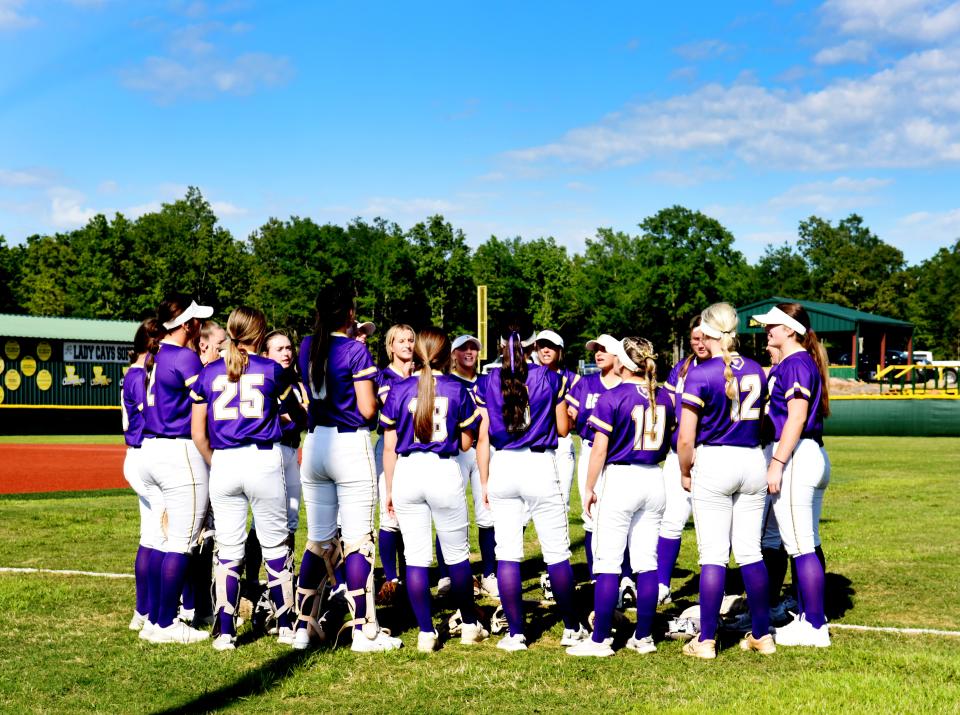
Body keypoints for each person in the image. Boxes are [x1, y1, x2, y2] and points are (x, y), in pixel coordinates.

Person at [294, 286, 402, 652]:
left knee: (319, 538)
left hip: (316, 443)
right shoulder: (355, 350)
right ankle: (363, 630)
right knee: (358, 540)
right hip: (348, 443)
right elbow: (368, 409)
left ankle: (302, 626)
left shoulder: (308, 344)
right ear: (349, 314)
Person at [476, 318, 585, 651]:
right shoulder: (548, 377)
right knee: (556, 553)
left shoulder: (487, 380)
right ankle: (570, 627)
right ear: (529, 348)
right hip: (538, 463)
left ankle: (516, 634)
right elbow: (564, 429)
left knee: (507, 554)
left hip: (503, 464)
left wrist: (483, 481)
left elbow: (482, 436)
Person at [190, 307, 297, 650]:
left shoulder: (208, 373)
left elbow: (198, 433)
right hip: (262, 459)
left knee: (228, 550)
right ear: (259, 332)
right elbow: (291, 412)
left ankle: (225, 631)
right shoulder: (269, 369)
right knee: (276, 546)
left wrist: (217, 460)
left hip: (224, 462)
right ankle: (285, 624)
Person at [381, 327, 489, 651]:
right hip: (443, 470)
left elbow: (388, 448)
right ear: (447, 355)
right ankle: (469, 625)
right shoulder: (457, 388)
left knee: (415, 558)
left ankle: (426, 633)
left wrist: (388, 490)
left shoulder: (398, 388)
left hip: (407, 472)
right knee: (457, 557)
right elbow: (468, 442)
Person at [677, 302, 774, 659]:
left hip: (715, 459)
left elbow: (685, 439)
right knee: (750, 551)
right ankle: (762, 636)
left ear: (708, 329)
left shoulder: (701, 373)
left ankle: (706, 641)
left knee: (713, 556)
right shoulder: (755, 369)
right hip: (751, 459)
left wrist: (684, 470)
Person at [569, 337, 674, 657]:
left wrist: (588, 487)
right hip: (654, 477)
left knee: (607, 561)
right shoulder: (666, 397)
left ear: (625, 363)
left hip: (622, 477)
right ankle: (643, 637)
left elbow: (599, 448)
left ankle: (600, 640)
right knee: (646, 562)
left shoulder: (613, 396)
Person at [751, 303, 832, 648]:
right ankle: (807, 616)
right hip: (805, 453)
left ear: (790, 329)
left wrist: (778, 462)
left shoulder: (796, 363)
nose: (768, 331)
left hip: (797, 455)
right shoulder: (795, 362)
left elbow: (796, 418)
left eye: (774, 326)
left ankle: (814, 626)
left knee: (800, 545)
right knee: (804, 541)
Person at [139, 295, 213, 644]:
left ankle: (154, 618)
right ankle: (166, 623)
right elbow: (207, 399)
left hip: (151, 449)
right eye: (196, 320)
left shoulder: (157, 354)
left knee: (159, 538)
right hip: (178, 449)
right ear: (186, 325)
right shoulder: (183, 356)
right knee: (181, 541)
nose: (199, 326)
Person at [242, 331, 308, 604]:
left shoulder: (297, 382)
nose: (286, 352)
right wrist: (299, 412)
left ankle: (283, 580)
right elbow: (296, 415)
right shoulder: (265, 379)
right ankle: (252, 582)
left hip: (292, 451)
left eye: (289, 347)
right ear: (266, 354)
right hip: (272, 451)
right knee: (262, 523)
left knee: (290, 520)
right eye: (279, 348)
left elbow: (303, 416)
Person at [655, 317, 711, 605]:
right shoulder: (683, 367)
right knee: (671, 519)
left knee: (713, 526)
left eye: (704, 337)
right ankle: (662, 584)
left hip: (713, 452)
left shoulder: (722, 367)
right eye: (694, 339)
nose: (699, 344)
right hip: (680, 452)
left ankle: (717, 588)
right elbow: (665, 401)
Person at [565, 334, 622, 580]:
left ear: (617, 354)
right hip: (590, 449)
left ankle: (625, 576)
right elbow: (568, 417)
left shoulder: (625, 383)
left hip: (620, 455)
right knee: (590, 515)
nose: (598, 354)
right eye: (596, 350)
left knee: (621, 516)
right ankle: (595, 576)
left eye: (604, 350)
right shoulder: (585, 383)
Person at [122, 318, 163, 634]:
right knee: (160, 536)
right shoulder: (140, 377)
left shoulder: (135, 374)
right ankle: (155, 612)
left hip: (137, 456)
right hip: (143, 454)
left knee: (150, 535)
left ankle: (143, 611)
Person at [449, 334, 498, 597]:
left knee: (487, 511)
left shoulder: (488, 381)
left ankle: (489, 572)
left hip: (485, 447)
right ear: (453, 354)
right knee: (451, 510)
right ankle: (448, 574)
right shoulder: (446, 381)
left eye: (473, 348)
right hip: (456, 450)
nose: (469, 352)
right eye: (463, 348)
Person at [374, 324, 415, 605]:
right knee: (390, 516)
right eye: (400, 340)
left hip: (415, 449)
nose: (407, 345)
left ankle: (410, 576)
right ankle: (391, 579)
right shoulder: (383, 376)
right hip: (390, 448)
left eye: (411, 340)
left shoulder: (423, 376)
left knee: (411, 516)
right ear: (390, 346)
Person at [535, 330, 577, 509]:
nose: (545, 350)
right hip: (535, 443)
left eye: (550, 346)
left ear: (560, 350)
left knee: (560, 502)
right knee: (529, 505)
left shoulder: (574, 380)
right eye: (542, 346)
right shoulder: (529, 376)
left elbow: (574, 419)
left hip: (561, 442)